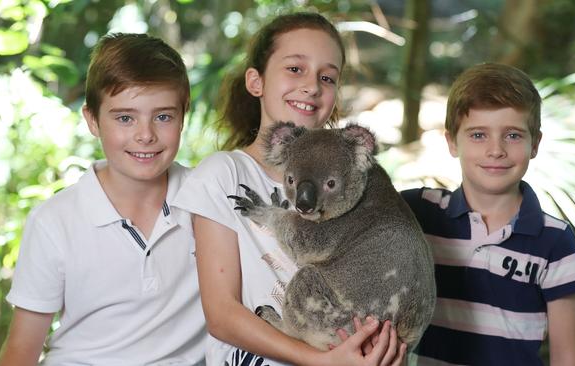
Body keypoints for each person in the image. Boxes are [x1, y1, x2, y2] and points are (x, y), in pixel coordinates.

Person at [173, 12, 406, 366]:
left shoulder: (357, 181)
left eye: (327, 77)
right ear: (256, 81)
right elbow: (221, 315)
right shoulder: (223, 174)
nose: (312, 86)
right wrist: (321, 360)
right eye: (295, 69)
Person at [0, 33, 206, 365]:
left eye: (163, 116)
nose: (145, 134)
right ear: (92, 120)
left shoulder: (208, 198)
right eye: (125, 118)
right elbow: (22, 351)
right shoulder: (55, 221)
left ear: (184, 116)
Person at [400, 62, 575, 365]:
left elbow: (566, 357)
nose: (496, 150)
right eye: (478, 135)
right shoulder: (418, 213)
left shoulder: (556, 241)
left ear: (535, 144)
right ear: (452, 142)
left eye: (513, 135)